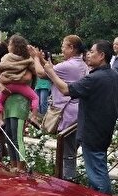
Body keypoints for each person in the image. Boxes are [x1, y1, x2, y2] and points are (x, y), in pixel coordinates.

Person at [42, 40, 118, 194]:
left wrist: (51, 73)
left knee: (97, 175)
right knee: (98, 169)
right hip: (104, 130)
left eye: (92, 52)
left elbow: (66, 89)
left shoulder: (95, 78)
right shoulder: (114, 76)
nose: (88, 55)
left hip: (92, 131)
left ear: (102, 55)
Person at [31, 36, 88, 179]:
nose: (61, 49)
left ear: (72, 48)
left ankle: (68, 183)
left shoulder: (68, 66)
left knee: (67, 155)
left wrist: (36, 58)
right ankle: (68, 180)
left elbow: (42, 73)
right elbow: (51, 70)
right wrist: (42, 60)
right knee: (70, 152)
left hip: (67, 114)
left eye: (64, 46)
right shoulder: (80, 64)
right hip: (77, 113)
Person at [0, 34, 40, 125]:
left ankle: (0, 120)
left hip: (7, 86)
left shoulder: (6, 57)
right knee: (35, 97)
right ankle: (34, 117)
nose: (8, 46)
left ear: (13, 46)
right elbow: (35, 71)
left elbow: (0, 68)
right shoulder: (27, 58)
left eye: (9, 44)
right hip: (21, 86)